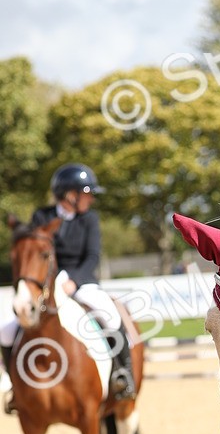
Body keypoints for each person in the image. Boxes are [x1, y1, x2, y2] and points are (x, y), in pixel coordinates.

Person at [1, 163, 136, 414]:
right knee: (6, 331)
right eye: (87, 193)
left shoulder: (89, 220)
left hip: (80, 282)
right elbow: (33, 253)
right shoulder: (41, 216)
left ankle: (122, 374)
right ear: (70, 195)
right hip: (47, 286)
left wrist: (74, 279)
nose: (91, 198)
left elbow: (93, 256)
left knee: (109, 314)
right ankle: (15, 388)